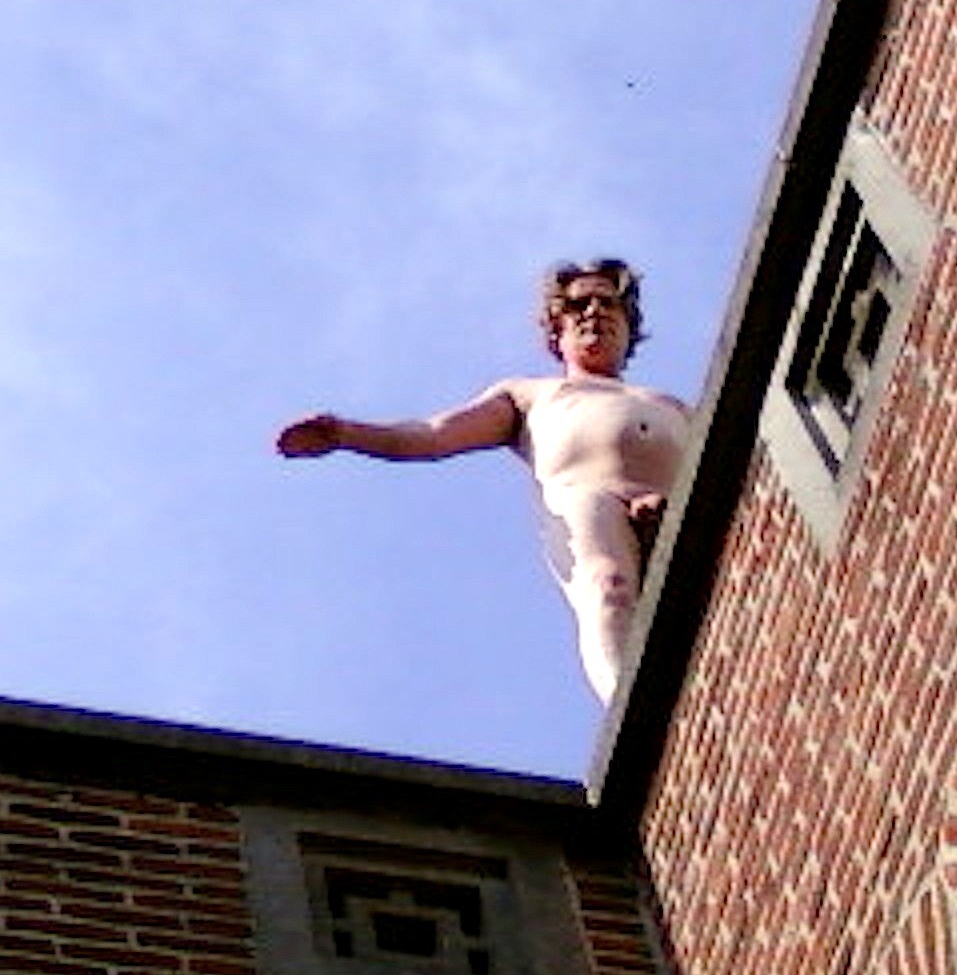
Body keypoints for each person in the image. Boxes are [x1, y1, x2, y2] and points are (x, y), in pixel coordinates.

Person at [276, 260, 690, 704]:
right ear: (557, 329)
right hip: (587, 502)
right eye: (578, 305)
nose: (594, 312)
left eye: (608, 303)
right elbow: (431, 435)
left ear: (629, 326)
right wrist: (346, 433)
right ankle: (631, 710)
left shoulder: (676, 406)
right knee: (608, 588)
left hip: (674, 502)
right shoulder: (529, 395)